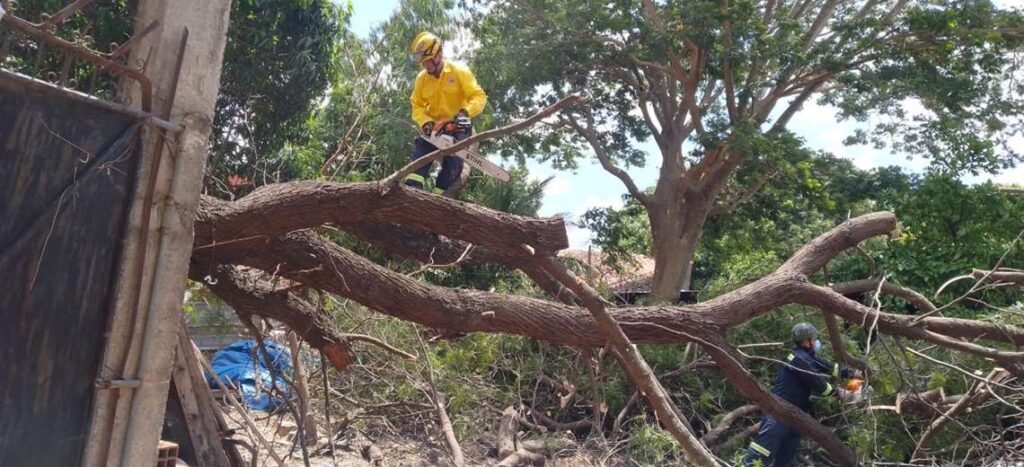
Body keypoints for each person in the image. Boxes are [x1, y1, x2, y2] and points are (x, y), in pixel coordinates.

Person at [744, 322, 863, 467]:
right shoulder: (798, 359)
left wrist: (854, 373)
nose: (816, 341)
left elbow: (829, 367)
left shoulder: (807, 357)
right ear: (807, 341)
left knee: (787, 459)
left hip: (794, 414)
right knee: (760, 454)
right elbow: (818, 383)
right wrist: (838, 393)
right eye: (814, 338)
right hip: (778, 412)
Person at [405, 31, 487, 195]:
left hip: (457, 127)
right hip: (434, 127)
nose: (426, 65)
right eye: (423, 62)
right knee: (419, 158)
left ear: (439, 54)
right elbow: (416, 104)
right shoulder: (422, 79)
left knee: (451, 168)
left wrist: (465, 113)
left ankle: (438, 199)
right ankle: (412, 193)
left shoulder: (458, 71)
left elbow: (478, 96)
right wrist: (426, 123)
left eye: (429, 60)